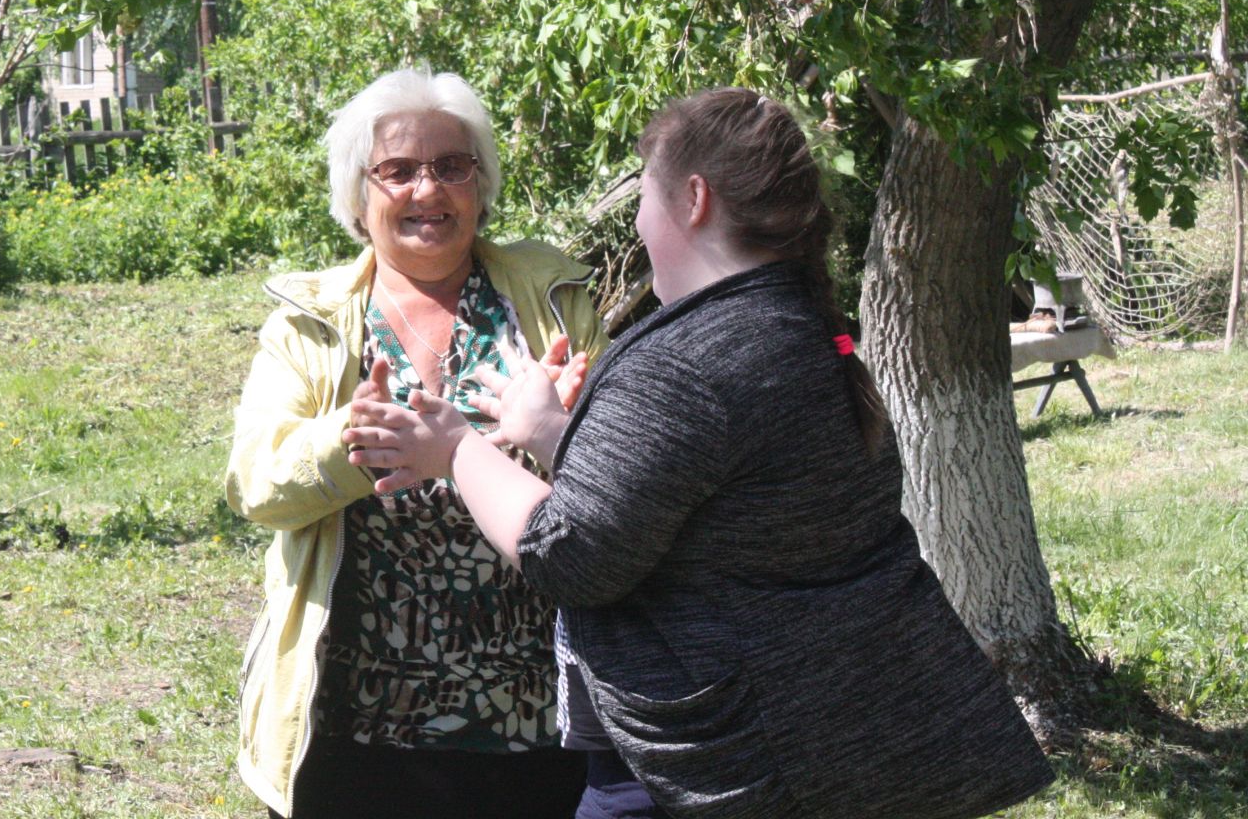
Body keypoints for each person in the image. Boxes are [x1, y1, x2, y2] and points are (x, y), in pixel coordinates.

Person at [346, 88, 1054, 819]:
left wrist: (456, 448)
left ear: (693, 199)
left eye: (645, 195)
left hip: (733, 761)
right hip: (833, 723)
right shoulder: (794, 323)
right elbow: (709, 500)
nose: (639, 222)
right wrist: (557, 435)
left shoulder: (685, 364)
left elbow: (572, 555)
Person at [225, 68, 612, 818]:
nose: (427, 191)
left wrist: (568, 435)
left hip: (537, 724)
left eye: (451, 167)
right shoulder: (310, 322)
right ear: (357, 196)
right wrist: (347, 441)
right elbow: (256, 485)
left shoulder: (550, 300)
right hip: (358, 729)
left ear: (481, 183)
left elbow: (618, 486)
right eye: (398, 171)